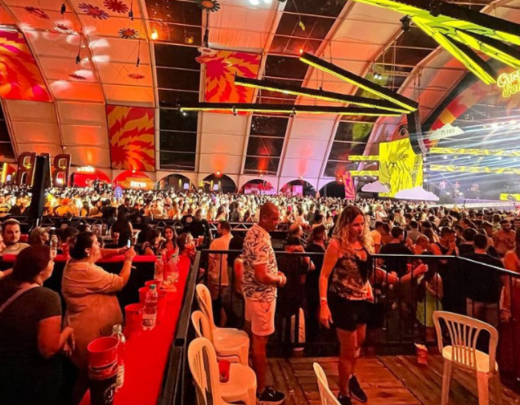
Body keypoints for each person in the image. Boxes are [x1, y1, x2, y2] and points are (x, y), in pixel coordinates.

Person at [319, 206, 398, 405]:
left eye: (362, 224)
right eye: (355, 224)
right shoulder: (336, 245)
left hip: (362, 300)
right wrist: (323, 304)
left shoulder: (363, 244)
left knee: (358, 344)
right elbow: (324, 275)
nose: (360, 228)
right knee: (348, 349)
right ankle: (343, 393)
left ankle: (351, 376)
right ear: (346, 224)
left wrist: (370, 286)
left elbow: (365, 273)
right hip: (343, 302)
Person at [62, 232, 135, 402]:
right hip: (88, 335)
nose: (99, 245)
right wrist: (128, 259)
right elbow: (120, 282)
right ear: (87, 250)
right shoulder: (86, 270)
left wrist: (118, 251)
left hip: (86, 330)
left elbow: (99, 253)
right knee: (88, 380)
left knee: (89, 379)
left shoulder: (74, 262)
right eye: (95, 243)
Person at [0, 245, 74, 405]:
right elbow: (48, 349)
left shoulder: (4, 287)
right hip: (32, 378)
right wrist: (68, 330)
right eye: (51, 261)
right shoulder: (46, 298)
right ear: (41, 270)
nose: (54, 263)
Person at [242, 202, 286, 404]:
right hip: (262, 298)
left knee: (254, 340)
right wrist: (279, 279)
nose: (278, 222)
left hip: (252, 295)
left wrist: (273, 272)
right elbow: (261, 275)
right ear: (264, 218)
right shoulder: (261, 239)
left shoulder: (252, 232)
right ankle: (261, 391)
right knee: (260, 344)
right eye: (274, 219)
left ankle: (251, 381)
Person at [462, 234, 503, 327]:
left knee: (472, 326)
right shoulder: (496, 262)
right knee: (492, 328)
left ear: (474, 244)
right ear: (487, 245)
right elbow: (504, 280)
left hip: (473, 296)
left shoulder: (465, 259)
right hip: (492, 297)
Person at [208, 221, 234, 326]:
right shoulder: (234, 241)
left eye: (218, 229)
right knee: (225, 304)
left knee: (214, 302)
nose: (217, 230)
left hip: (216, 277)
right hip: (229, 278)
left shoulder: (216, 242)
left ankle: (213, 323)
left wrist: (209, 272)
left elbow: (210, 261)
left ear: (223, 230)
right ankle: (223, 325)